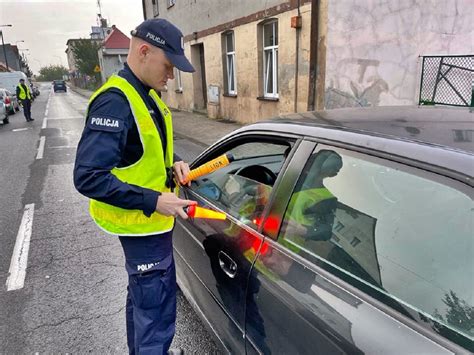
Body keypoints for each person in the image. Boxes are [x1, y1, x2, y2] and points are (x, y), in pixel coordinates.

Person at [73, 19, 197, 355]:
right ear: (144, 51)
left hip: (150, 227)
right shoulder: (115, 101)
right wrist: (155, 201)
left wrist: (175, 161)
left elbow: (145, 147)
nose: (171, 76)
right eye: (169, 66)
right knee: (156, 317)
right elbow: (88, 176)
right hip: (141, 228)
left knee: (144, 308)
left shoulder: (146, 94)